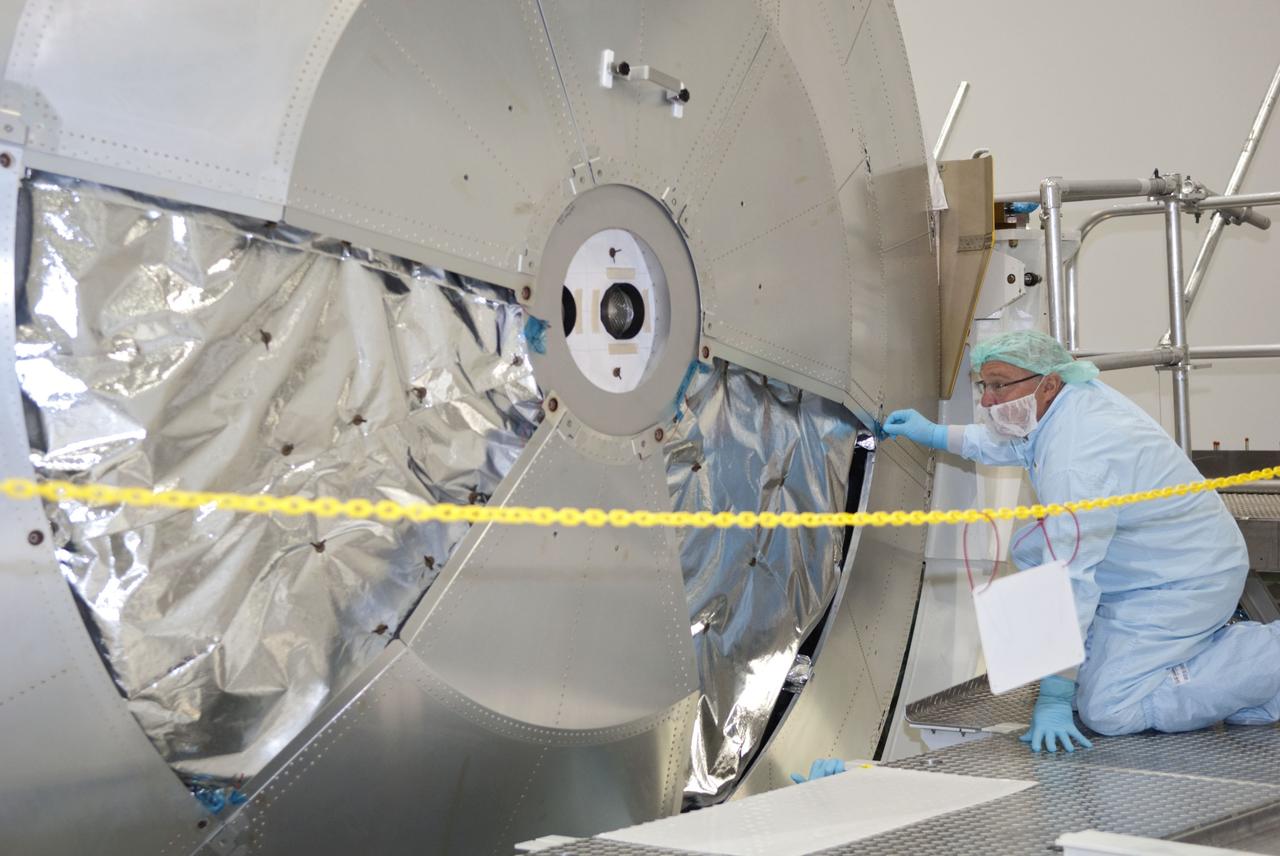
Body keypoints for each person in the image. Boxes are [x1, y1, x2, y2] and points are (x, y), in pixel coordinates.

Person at [877, 330, 1280, 753]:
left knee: (1109, 709)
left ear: (1047, 383)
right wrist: (936, 435)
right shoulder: (1066, 402)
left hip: (1182, 582)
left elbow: (1072, 582)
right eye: (985, 385)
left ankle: (1265, 655)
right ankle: (1203, 659)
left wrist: (1054, 696)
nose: (988, 401)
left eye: (999, 385)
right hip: (1143, 567)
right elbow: (1018, 445)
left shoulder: (1078, 461)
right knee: (1031, 548)